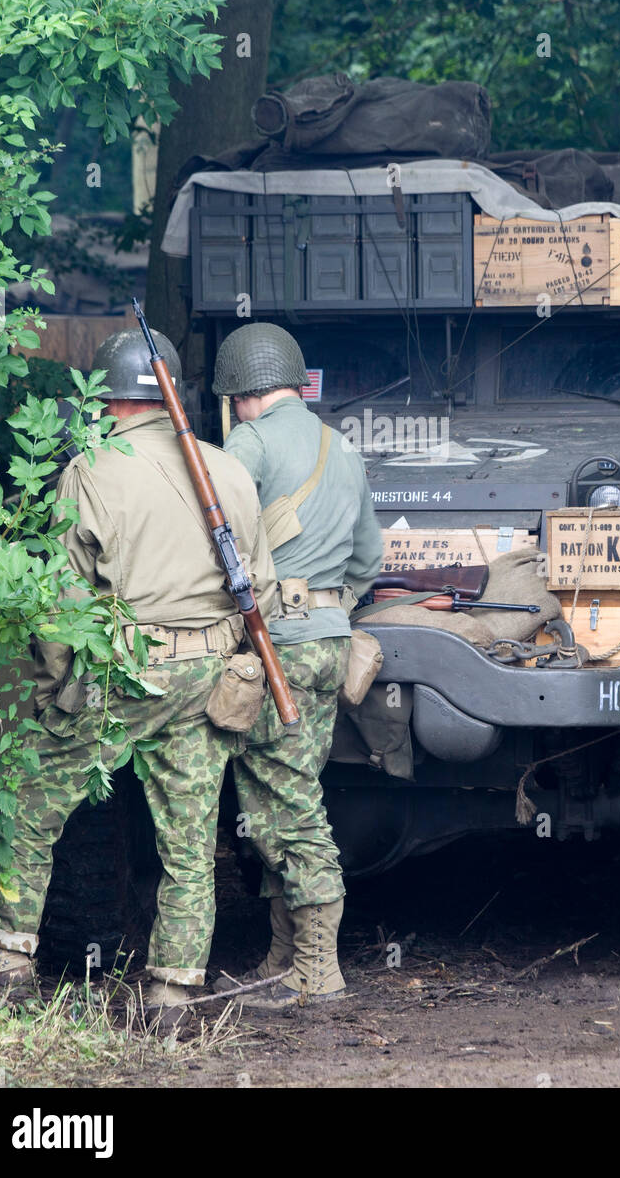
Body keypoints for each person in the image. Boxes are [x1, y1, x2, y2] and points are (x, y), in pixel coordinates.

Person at [0, 328, 278, 1028]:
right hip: (210, 673)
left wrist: (57, 690)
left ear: (108, 401)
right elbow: (258, 583)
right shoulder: (228, 470)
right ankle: (172, 993)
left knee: (29, 801)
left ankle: (3, 967)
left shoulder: (91, 470)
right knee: (190, 835)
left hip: (122, 671)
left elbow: (61, 602)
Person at [212, 323, 382, 1009]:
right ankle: (282, 957)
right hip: (331, 644)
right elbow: (368, 559)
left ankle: (317, 971)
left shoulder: (248, 443)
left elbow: (214, 534)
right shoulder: (341, 446)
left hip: (274, 645)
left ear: (240, 395)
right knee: (292, 791)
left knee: (289, 810)